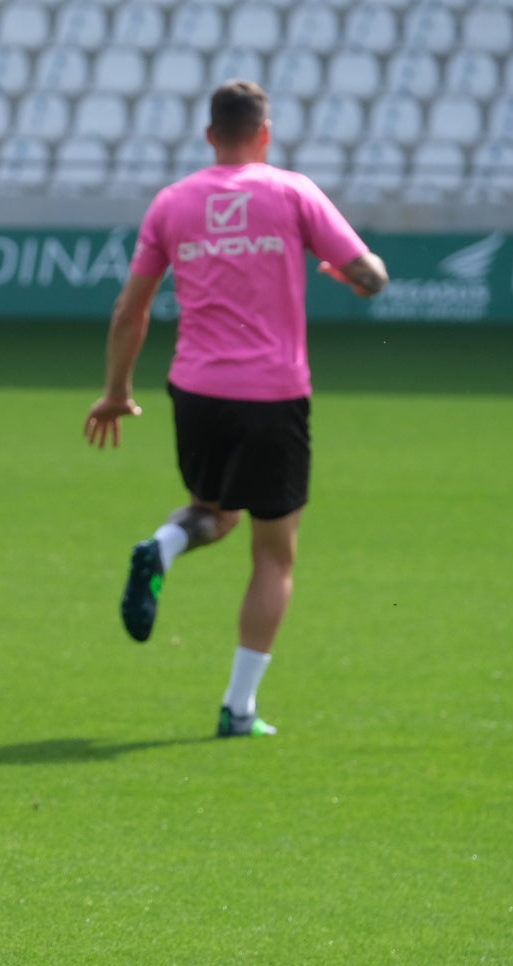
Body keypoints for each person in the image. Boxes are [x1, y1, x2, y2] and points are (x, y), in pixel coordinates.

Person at [84, 80, 387, 738]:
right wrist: (348, 272)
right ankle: (239, 708)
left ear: (210, 135)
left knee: (214, 512)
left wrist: (115, 393)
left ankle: (162, 548)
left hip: (196, 390)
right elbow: (371, 277)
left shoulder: (172, 203)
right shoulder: (292, 192)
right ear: (265, 133)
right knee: (274, 553)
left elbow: (130, 309)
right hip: (274, 393)